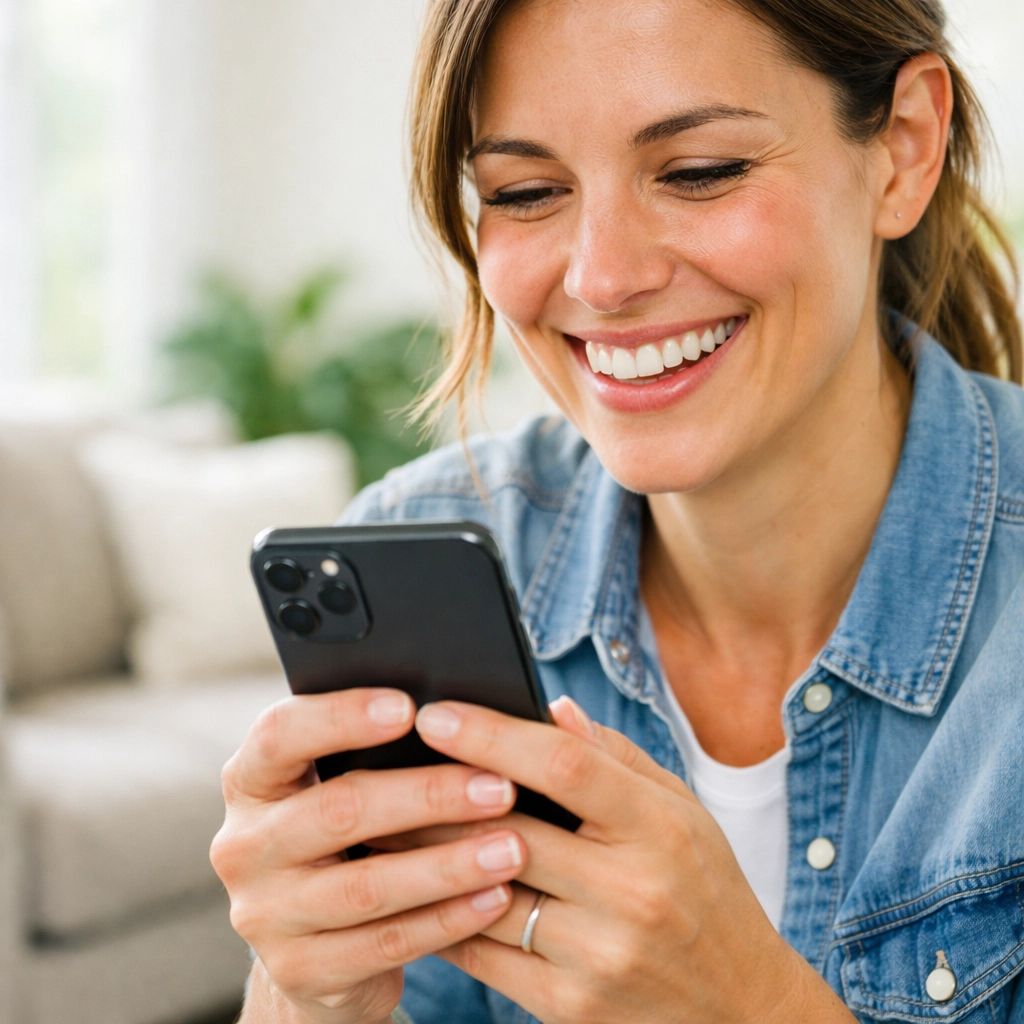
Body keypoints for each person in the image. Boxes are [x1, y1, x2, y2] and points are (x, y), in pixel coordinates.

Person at [210, 0, 1024, 1021]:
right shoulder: (444, 540)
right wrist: (306, 996)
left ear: (903, 149)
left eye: (698, 172)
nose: (602, 275)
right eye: (526, 190)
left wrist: (755, 1004)